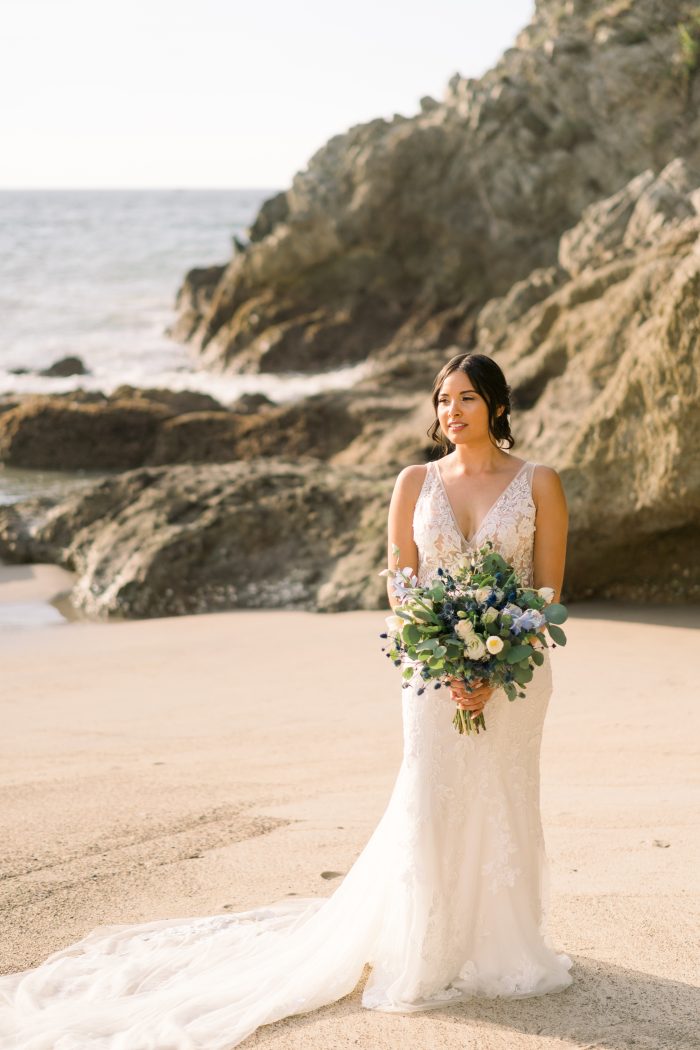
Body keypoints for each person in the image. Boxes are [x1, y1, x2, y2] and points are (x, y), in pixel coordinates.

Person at [0, 351, 573, 1049]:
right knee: (433, 796)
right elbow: (400, 582)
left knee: (502, 796)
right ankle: (431, 949)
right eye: (442, 399)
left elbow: (545, 597)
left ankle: (505, 946)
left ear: (498, 406)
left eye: (466, 399)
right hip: (430, 667)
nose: (450, 411)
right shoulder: (412, 482)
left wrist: (494, 657)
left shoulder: (539, 483)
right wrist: (449, 656)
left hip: (514, 673)